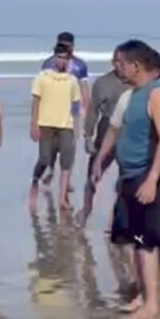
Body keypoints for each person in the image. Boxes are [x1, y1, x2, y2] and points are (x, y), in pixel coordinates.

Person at [94, 40, 160, 319]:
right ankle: (142, 295)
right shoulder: (134, 94)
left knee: (146, 243)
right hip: (129, 176)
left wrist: (153, 179)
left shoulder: (157, 94)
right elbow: (118, 132)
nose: (119, 68)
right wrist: (101, 162)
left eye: (123, 64)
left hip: (147, 177)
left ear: (135, 65)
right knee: (131, 240)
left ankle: (152, 307)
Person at [30, 44, 82, 212]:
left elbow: (75, 104)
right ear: (54, 58)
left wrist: (77, 127)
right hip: (45, 124)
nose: (62, 61)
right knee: (45, 159)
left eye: (65, 58)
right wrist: (34, 124)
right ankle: (35, 181)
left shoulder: (72, 80)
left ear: (69, 60)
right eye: (59, 57)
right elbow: (36, 101)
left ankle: (62, 198)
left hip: (66, 125)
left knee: (66, 162)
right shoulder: (43, 77)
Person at [80, 49, 129, 224]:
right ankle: (86, 209)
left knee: (127, 177)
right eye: (117, 61)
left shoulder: (135, 82)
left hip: (128, 130)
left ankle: (119, 215)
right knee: (93, 173)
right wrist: (88, 135)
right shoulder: (102, 83)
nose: (120, 65)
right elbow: (93, 110)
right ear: (112, 62)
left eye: (124, 62)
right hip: (106, 128)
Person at [40, 32, 90, 186]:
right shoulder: (48, 63)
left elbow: (84, 87)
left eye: (68, 45)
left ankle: (66, 179)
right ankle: (50, 170)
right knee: (51, 146)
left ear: (73, 46)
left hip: (72, 111)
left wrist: (86, 109)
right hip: (51, 110)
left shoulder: (80, 65)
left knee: (69, 147)